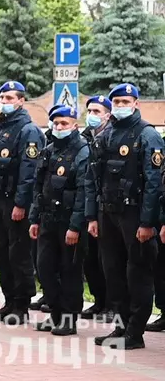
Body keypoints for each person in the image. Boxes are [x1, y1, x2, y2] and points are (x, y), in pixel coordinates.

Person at [87, 83, 164, 349]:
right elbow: (95, 178)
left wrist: (147, 222)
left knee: (137, 274)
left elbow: (154, 183)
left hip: (134, 214)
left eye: (125, 102)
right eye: (116, 103)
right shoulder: (107, 135)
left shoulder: (147, 135)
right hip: (108, 213)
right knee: (113, 272)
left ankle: (135, 333)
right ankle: (119, 328)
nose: (120, 107)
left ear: (136, 104)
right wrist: (92, 217)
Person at [0, 81, 44, 325]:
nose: (4, 102)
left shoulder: (28, 131)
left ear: (21, 101)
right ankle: (9, 301)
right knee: (2, 253)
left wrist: (20, 204)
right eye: (2, 98)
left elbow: (29, 172)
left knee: (19, 254)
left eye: (9, 98)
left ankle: (22, 304)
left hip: (15, 204)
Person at [29, 105, 88, 336]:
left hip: (68, 223)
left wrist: (75, 226)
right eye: (56, 123)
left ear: (75, 125)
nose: (59, 127)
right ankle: (55, 314)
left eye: (64, 123)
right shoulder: (49, 149)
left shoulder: (82, 151)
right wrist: (34, 218)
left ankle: (68, 319)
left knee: (69, 271)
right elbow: (39, 187)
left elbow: (84, 191)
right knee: (45, 268)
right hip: (47, 220)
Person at [80, 95, 114, 322]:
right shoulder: (85, 138)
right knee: (90, 259)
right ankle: (99, 301)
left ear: (107, 115)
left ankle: (112, 304)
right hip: (87, 205)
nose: (92, 116)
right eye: (89, 111)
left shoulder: (111, 138)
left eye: (97, 111)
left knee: (108, 260)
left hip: (107, 207)